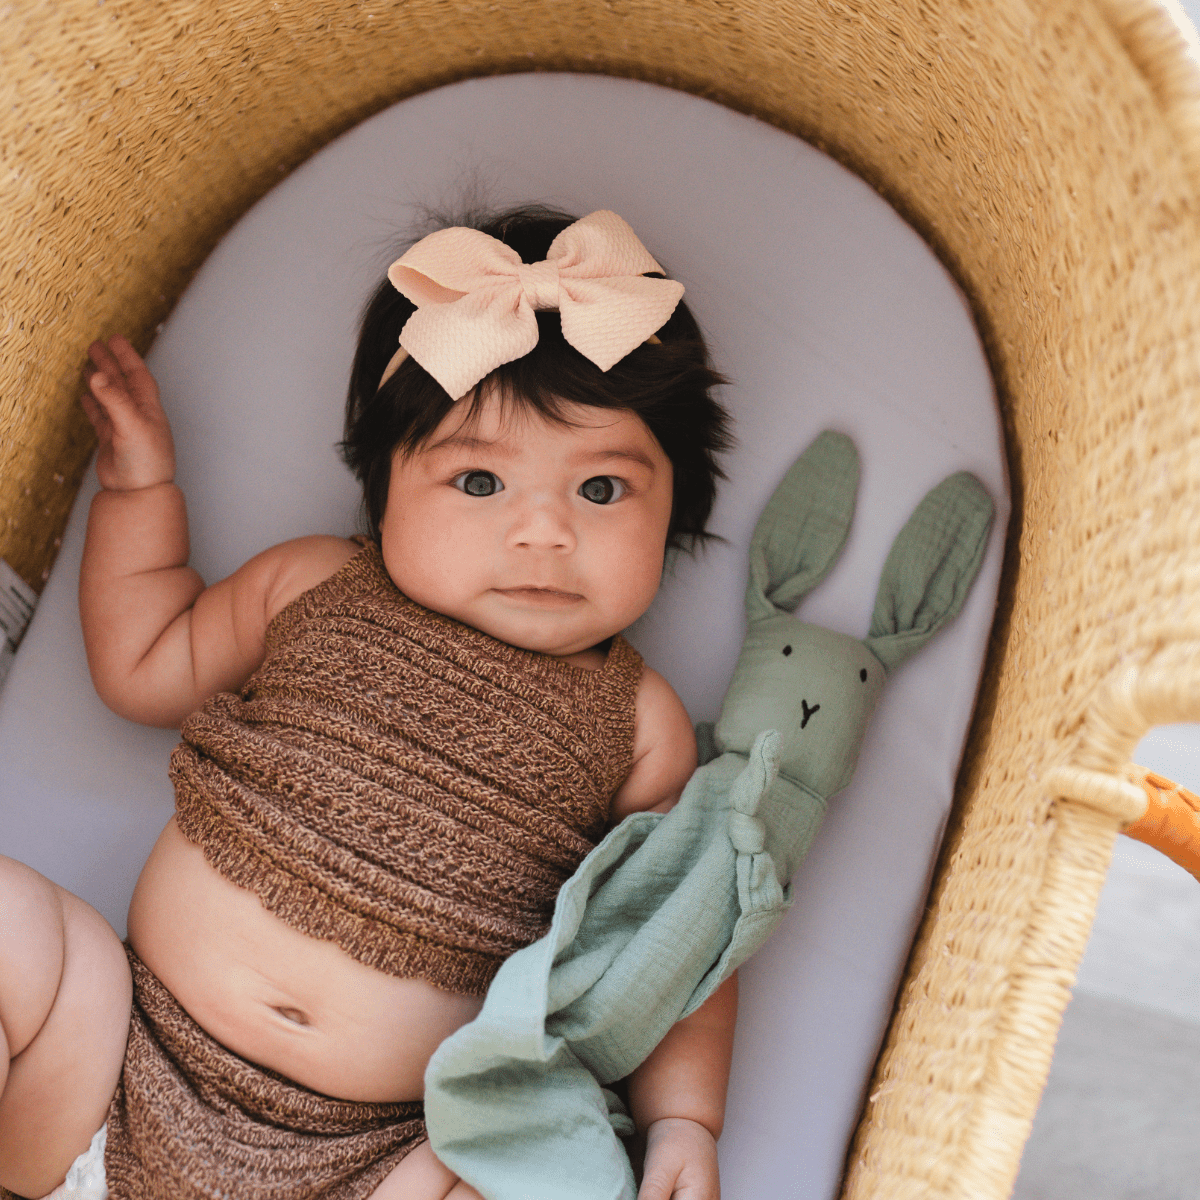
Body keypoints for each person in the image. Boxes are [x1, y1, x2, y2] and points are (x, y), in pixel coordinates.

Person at [0, 206, 737, 1200]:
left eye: (601, 492)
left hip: (378, 1160)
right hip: (107, 1068)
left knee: (544, 1170)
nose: (543, 533)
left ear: (677, 510)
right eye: (480, 479)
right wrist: (139, 487)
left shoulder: (640, 723)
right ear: (382, 486)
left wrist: (685, 1122)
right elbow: (142, 660)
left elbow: (675, 940)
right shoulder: (308, 585)